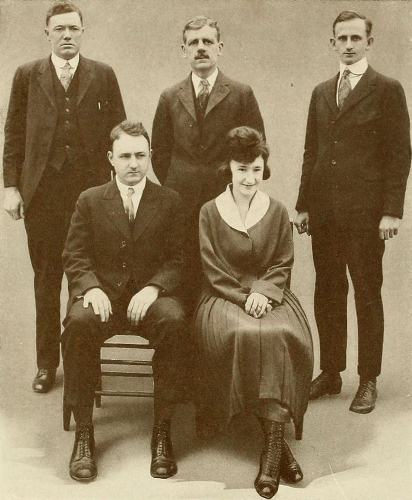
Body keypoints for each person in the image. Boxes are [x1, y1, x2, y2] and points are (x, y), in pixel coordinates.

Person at [2, 0, 126, 393]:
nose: (67, 35)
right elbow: (13, 133)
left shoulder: (102, 74)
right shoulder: (27, 75)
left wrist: (119, 189)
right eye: (59, 29)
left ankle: (87, 365)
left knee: (90, 278)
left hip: (91, 196)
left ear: (82, 32)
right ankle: (46, 364)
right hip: (42, 194)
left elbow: (120, 132)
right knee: (46, 280)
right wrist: (10, 187)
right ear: (47, 34)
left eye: (73, 28)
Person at [294, 11, 411, 414]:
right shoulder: (321, 92)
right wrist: (303, 205)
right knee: (327, 291)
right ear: (333, 43)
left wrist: (391, 211)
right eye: (341, 38)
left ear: (368, 42)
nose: (348, 44)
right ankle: (331, 372)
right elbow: (311, 152)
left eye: (355, 38)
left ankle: (368, 379)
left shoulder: (387, 89)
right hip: (324, 213)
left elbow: (399, 154)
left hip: (365, 215)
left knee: (366, 292)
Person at [61, 120, 188, 482]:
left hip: (149, 299)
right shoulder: (90, 199)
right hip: (103, 298)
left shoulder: (170, 200)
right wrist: (91, 288)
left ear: (150, 156)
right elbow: (74, 255)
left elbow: (179, 259)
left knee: (175, 323)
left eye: (140, 155)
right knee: (78, 324)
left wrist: (154, 288)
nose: (134, 163)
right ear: (110, 158)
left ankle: (162, 431)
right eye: (126, 156)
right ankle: (84, 433)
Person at [194, 127, 313, 499]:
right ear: (229, 168)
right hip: (222, 296)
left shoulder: (276, 211)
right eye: (242, 169)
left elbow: (282, 263)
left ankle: (272, 446)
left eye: (256, 170)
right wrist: (244, 297)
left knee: (282, 333)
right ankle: (277, 447)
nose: (249, 178)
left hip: (271, 294)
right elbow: (212, 269)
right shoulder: (210, 211)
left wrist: (263, 292)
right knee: (245, 332)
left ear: (264, 169)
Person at [151, 15, 265, 308]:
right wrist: (179, 183)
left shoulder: (240, 94)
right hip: (181, 200)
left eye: (207, 41)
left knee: (222, 272)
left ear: (219, 47)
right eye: (193, 43)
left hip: (225, 200)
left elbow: (257, 149)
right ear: (184, 50)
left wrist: (234, 188)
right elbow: (159, 152)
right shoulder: (169, 97)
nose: (200, 48)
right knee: (185, 271)